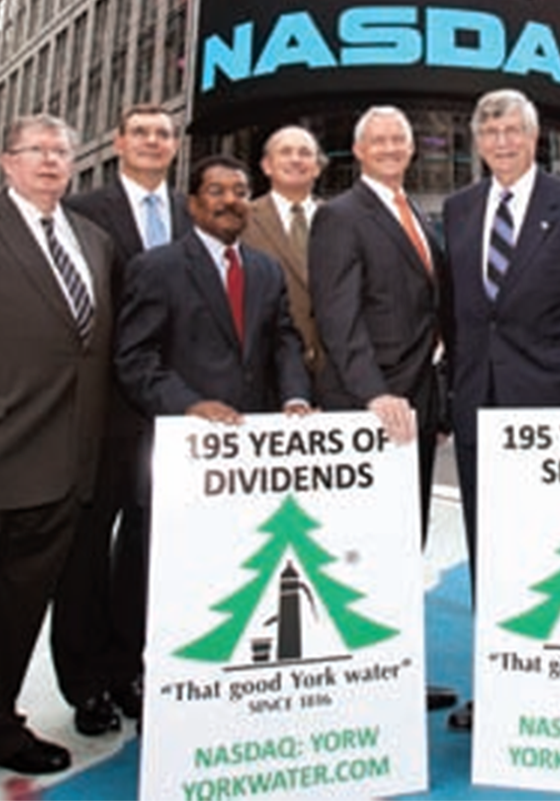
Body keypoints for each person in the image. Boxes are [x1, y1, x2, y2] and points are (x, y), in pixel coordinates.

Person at [442, 88, 560, 731]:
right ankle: (497, 684)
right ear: (478, 141)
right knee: (487, 550)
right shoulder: (460, 210)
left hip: (550, 402)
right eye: (488, 131)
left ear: (534, 135)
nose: (501, 142)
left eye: (511, 131)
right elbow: (456, 313)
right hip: (476, 407)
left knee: (554, 549)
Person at [0, 115, 113, 786]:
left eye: (61, 151)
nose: (51, 161)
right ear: (6, 162)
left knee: (20, 611)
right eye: (36, 151)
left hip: (62, 463)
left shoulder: (94, 240)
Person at [308, 106, 456, 713]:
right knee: (357, 547)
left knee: (403, 543)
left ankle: (394, 669)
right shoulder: (340, 217)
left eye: (401, 139)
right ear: (358, 149)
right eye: (381, 140)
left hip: (417, 406)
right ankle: (355, 677)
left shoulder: (419, 216)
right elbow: (338, 318)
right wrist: (373, 393)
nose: (393, 148)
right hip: (370, 409)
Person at [51, 104, 190, 737]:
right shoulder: (84, 214)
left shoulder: (193, 214)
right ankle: (84, 685)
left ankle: (130, 668)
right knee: (85, 552)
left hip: (175, 413)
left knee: (147, 548)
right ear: (118, 143)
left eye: (163, 133)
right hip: (106, 413)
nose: (153, 142)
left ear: (175, 143)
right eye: (141, 132)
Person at [114, 155, 311, 425]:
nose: (230, 200)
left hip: (259, 436)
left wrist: (295, 398)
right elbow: (136, 359)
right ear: (192, 205)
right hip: (189, 439)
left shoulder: (268, 270)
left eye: (240, 192)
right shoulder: (157, 268)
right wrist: (189, 405)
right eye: (216, 191)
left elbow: (284, 341)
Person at [241, 125, 326, 401]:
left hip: (336, 376)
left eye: (305, 153)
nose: (296, 159)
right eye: (285, 152)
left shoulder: (342, 219)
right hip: (266, 376)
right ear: (267, 165)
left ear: (317, 167)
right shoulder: (241, 221)